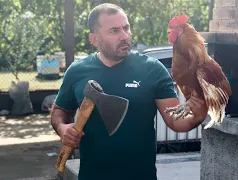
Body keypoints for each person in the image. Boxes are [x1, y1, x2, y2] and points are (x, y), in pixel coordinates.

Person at [50, 3, 208, 180]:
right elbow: (60, 112)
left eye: (126, 28)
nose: (124, 36)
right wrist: (63, 128)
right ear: (94, 39)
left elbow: (175, 120)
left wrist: (197, 115)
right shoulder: (77, 71)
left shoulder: (152, 70)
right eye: (114, 31)